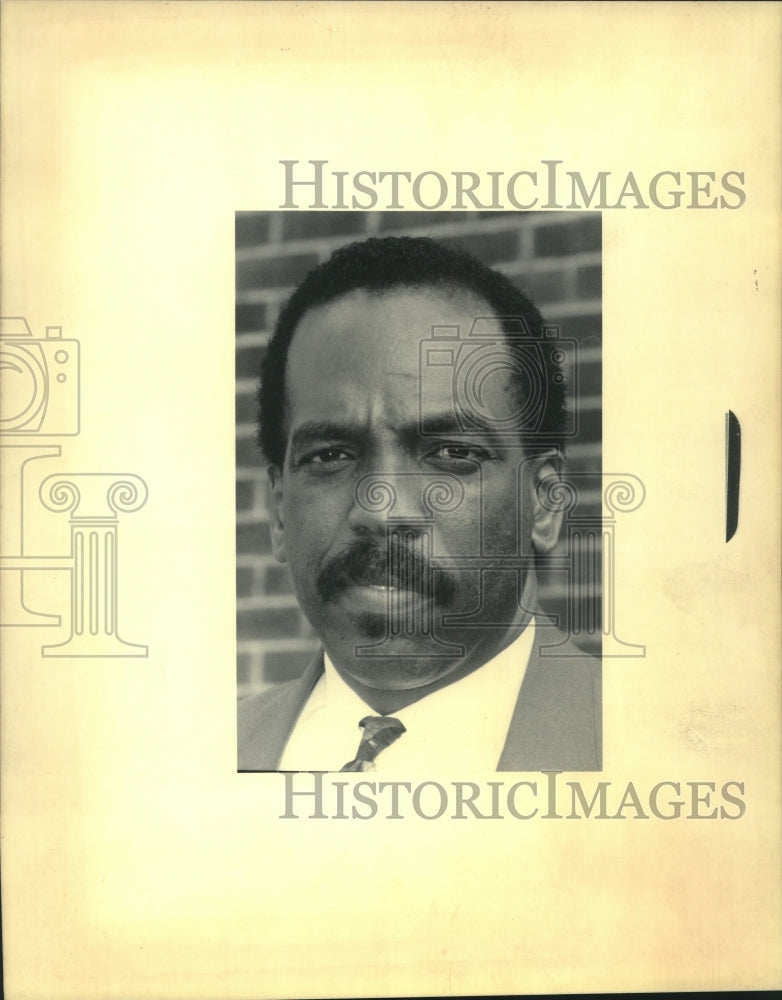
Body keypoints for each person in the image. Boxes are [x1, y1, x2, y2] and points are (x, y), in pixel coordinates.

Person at [238, 235, 601, 772]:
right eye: (331, 454)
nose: (381, 511)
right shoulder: (185, 769)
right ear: (278, 511)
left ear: (543, 502)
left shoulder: (670, 754)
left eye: (453, 453)